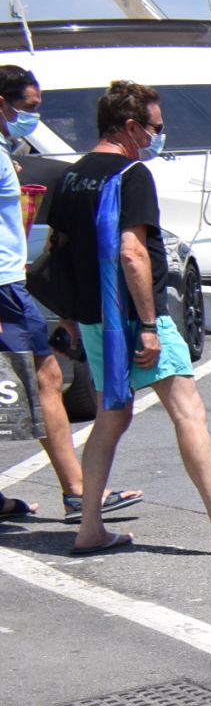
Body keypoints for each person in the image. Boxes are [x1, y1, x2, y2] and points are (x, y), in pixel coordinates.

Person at [40, 79, 211, 556]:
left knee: (112, 416)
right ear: (132, 127)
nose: (158, 136)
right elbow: (133, 254)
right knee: (188, 410)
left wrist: (67, 317)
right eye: (156, 128)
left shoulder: (71, 176)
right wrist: (150, 325)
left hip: (92, 319)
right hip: (129, 316)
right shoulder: (129, 175)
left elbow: (58, 251)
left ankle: (89, 527)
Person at [0, 65, 109, 521]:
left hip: (8, 279)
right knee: (46, 378)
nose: (33, 117)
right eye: (29, 108)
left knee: (30, 380)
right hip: (4, 285)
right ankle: (78, 491)